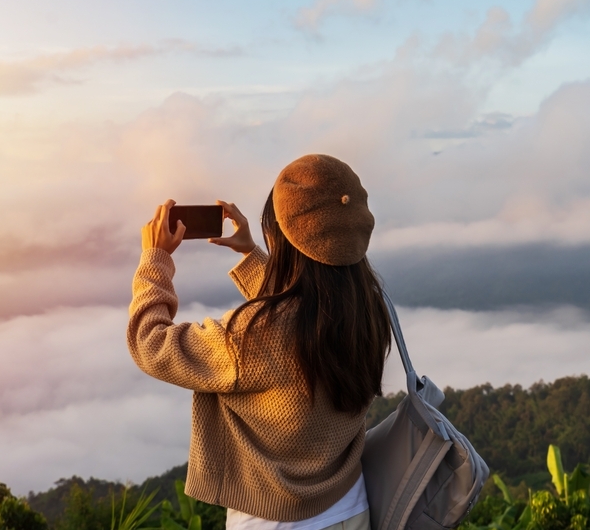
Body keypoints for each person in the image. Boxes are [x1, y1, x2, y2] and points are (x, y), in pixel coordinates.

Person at [127, 154, 392, 530]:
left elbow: (150, 343)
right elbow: (304, 314)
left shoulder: (251, 336)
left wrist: (154, 259)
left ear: (280, 235)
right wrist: (250, 254)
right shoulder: (368, 306)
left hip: (275, 522)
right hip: (350, 507)